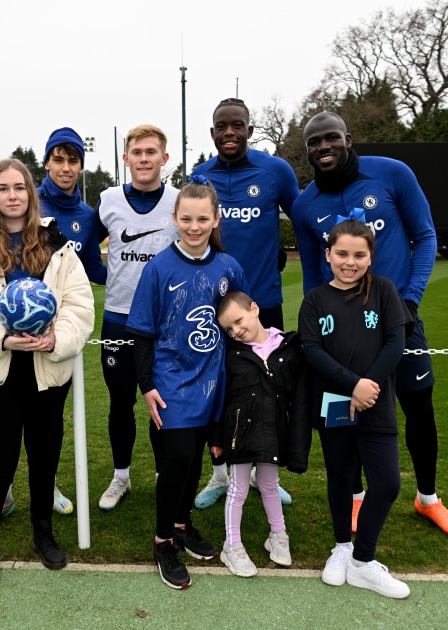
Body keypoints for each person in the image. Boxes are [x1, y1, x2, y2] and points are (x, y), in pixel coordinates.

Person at [291, 111, 448, 539]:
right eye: (314, 142)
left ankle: (428, 499)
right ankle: (353, 501)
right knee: (341, 416)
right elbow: (316, 271)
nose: (323, 147)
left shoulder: (392, 174)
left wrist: (409, 301)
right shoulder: (304, 204)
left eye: (331, 137)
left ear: (348, 138)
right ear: (308, 150)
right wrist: (319, 317)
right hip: (339, 331)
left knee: (418, 408)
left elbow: (425, 236)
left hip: (399, 320)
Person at [0, 159, 94, 586]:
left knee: (44, 458)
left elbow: (80, 305)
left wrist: (55, 339)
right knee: (3, 459)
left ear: (30, 193)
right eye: (3, 188)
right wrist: (1, 340)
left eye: (20, 187)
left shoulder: (56, 243)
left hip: (47, 369)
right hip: (0, 372)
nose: (12, 195)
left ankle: (42, 533)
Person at [126, 175, 245, 589]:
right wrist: (146, 385)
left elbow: (240, 324)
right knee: (177, 457)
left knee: (196, 458)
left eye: (202, 219)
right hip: (170, 380)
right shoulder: (159, 268)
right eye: (186, 219)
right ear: (175, 219)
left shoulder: (230, 268)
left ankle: (180, 523)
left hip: (212, 380)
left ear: (215, 219)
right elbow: (141, 332)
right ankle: (162, 542)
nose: (194, 227)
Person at [192, 97, 301, 509]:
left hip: (263, 305)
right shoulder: (201, 175)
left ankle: (261, 472)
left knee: (268, 392)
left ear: (250, 130)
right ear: (213, 133)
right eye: (222, 126)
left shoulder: (275, 171)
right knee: (217, 389)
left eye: (238, 125)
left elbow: (304, 218)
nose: (230, 132)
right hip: (215, 308)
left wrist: (284, 257)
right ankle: (219, 474)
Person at [298, 218, 413, 599]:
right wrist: (352, 386)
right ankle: (341, 548)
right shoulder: (315, 299)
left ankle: (363, 561)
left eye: (359, 255)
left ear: (370, 257)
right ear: (328, 254)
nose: (350, 262)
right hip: (335, 403)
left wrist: (369, 387)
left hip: (376, 402)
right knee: (341, 478)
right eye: (342, 254)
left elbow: (396, 341)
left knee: (387, 483)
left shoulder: (383, 290)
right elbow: (312, 350)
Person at [0, 127, 106, 518]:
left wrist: (142, 273)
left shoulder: (87, 216)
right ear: (46, 162)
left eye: (72, 160)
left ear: (80, 165)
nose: (65, 167)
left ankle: (50, 484)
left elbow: (94, 268)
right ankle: (6, 489)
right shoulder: (27, 204)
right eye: (57, 159)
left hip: (57, 338)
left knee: (49, 420)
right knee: (8, 424)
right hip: (10, 336)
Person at [95, 124, 179, 510]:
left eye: (151, 152)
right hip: (117, 318)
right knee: (119, 401)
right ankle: (121, 477)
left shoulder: (180, 202)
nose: (144, 159)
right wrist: (100, 277)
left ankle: (165, 477)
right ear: (125, 159)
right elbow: (80, 250)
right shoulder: (109, 199)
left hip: (164, 321)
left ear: (165, 158)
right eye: (136, 152)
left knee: (161, 402)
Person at [211, 291, 308, 577]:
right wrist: (216, 437)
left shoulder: (288, 347)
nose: (236, 331)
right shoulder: (231, 355)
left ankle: (278, 535)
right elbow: (220, 398)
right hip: (239, 435)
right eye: (229, 329)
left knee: (269, 483)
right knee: (238, 489)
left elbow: (297, 395)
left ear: (254, 309)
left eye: (239, 321)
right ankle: (232, 544)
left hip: (273, 432)